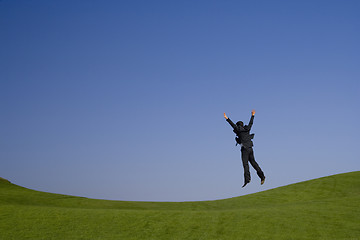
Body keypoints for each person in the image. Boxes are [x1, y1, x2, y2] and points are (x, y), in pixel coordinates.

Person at [224, 110, 265, 188]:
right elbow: (250, 123)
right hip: (250, 148)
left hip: (245, 150)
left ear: (238, 126)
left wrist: (227, 118)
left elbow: (232, 125)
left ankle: (247, 180)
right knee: (254, 163)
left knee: (245, 165)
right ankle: (262, 176)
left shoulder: (238, 130)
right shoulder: (247, 129)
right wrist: (252, 115)